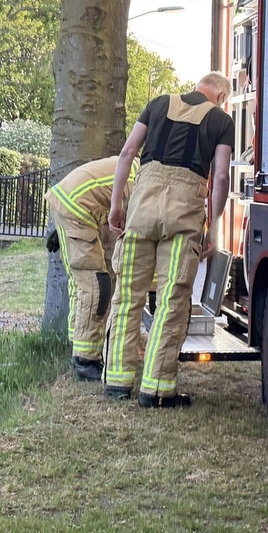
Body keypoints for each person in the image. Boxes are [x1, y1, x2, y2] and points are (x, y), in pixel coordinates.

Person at [103, 72, 233, 408]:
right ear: (220, 93)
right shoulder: (221, 120)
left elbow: (128, 152)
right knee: (172, 299)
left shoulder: (158, 103)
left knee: (127, 295)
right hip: (183, 214)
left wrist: (117, 204)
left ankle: (117, 380)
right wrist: (214, 228)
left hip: (142, 206)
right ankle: (156, 389)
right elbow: (219, 176)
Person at [46, 155, 139, 381]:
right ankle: (85, 361)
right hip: (75, 209)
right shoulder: (141, 180)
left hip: (70, 203)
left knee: (82, 285)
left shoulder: (135, 167)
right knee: (95, 285)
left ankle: (78, 344)